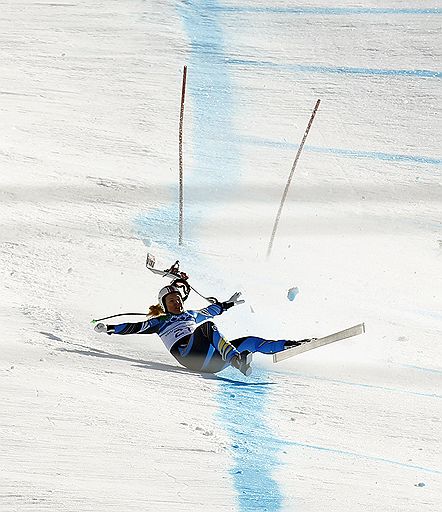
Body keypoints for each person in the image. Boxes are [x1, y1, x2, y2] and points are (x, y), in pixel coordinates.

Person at [94, 285, 314, 376]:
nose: (177, 303)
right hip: (189, 356)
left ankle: (293, 345)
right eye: (171, 301)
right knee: (207, 328)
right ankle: (236, 360)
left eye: (178, 299)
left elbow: (209, 311)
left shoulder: (189, 314)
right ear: (163, 304)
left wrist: (226, 304)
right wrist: (110, 329)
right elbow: (134, 326)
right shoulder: (159, 322)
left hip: (212, 362)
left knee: (250, 341)